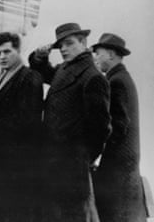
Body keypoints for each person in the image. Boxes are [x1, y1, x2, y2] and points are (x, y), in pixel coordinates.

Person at [29, 22, 111, 221]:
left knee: (71, 215)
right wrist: (39, 57)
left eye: (68, 43)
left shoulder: (92, 77)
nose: (63, 49)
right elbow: (43, 72)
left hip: (71, 165)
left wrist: (83, 158)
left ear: (83, 42)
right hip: (54, 161)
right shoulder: (65, 69)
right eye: (60, 46)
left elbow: (101, 127)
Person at [0, 32, 43, 221]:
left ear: (18, 50)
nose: (2, 57)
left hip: (18, 161)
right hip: (2, 158)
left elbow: (29, 119)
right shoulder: (2, 75)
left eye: (7, 52)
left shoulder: (30, 77)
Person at [92, 33, 147, 222]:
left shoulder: (116, 82)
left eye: (98, 54)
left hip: (118, 168)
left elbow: (118, 126)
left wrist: (96, 150)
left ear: (111, 54)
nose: (95, 58)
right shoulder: (122, 78)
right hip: (124, 166)